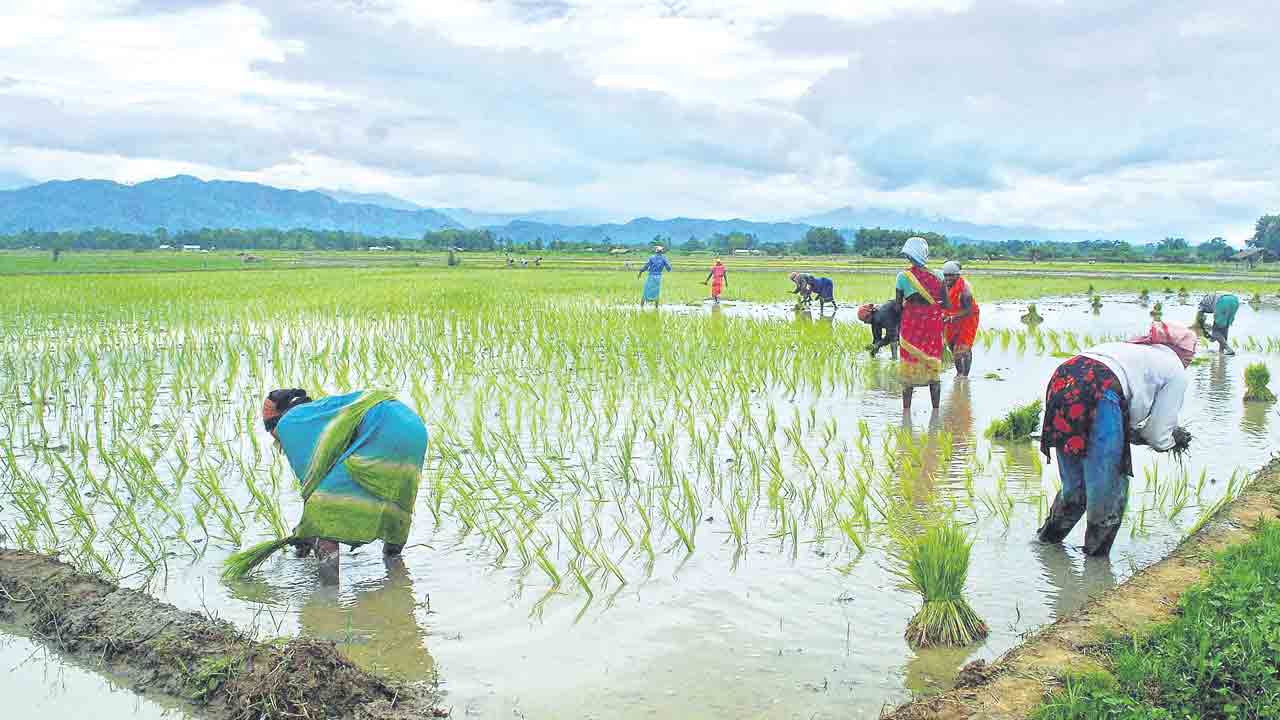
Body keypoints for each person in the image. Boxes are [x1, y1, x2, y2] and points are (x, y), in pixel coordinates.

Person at [1037, 322, 1197, 556]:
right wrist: (1174, 439)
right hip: (1100, 389)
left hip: (1064, 378)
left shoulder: (1130, 350)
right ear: (1184, 353)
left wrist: (1129, 434)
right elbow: (1159, 436)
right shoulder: (1176, 370)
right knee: (1108, 489)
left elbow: (1128, 416)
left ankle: (1045, 545)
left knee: (1074, 487)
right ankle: (1096, 568)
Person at [262, 388, 428, 583]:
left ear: (277, 422)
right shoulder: (322, 413)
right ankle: (396, 576)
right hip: (414, 428)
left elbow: (312, 485)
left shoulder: (289, 423)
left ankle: (329, 596)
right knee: (395, 501)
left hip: (385, 428)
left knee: (322, 514)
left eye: (270, 430)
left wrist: (307, 528)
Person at [895, 237, 950, 411]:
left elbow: (897, 307)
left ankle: (906, 411)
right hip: (933, 327)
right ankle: (935, 410)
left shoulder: (903, 277)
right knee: (934, 371)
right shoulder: (939, 275)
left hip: (911, 328)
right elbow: (946, 304)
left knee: (908, 371)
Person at [942, 261, 980, 377]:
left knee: (964, 348)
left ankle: (965, 375)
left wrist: (952, 317)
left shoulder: (965, 291)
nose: (947, 278)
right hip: (952, 318)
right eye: (945, 275)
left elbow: (968, 310)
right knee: (953, 345)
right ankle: (959, 373)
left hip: (967, 319)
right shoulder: (944, 285)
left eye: (950, 275)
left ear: (957, 275)